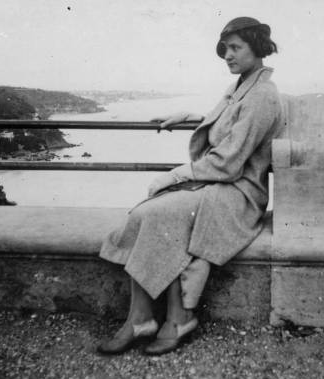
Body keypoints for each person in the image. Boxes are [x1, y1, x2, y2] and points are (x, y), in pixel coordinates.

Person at [97, 16, 283, 355]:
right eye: (225, 48)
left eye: (236, 48)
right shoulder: (243, 85)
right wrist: (190, 116)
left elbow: (228, 162)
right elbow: (228, 126)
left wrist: (174, 175)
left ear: (257, 47)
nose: (227, 55)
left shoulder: (263, 96)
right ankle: (140, 318)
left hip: (239, 193)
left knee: (163, 211)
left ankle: (178, 318)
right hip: (219, 185)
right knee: (147, 212)